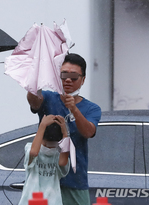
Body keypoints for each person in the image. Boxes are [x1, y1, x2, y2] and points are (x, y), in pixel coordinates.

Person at [27, 53, 102, 205]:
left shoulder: (92, 108)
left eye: (73, 77)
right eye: (64, 75)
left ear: (83, 80)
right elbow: (33, 99)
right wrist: (40, 75)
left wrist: (74, 109)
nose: (68, 80)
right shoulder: (48, 97)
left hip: (74, 180)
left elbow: (88, 132)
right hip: (45, 179)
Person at [18, 114, 70, 205]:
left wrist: (65, 133)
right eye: (47, 144)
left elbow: (63, 163)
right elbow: (34, 152)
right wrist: (42, 126)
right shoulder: (31, 148)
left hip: (52, 201)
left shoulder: (59, 154)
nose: (50, 148)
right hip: (31, 201)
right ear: (41, 138)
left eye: (53, 145)